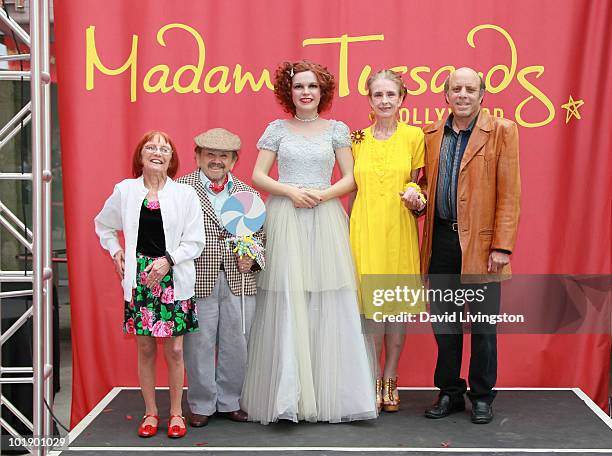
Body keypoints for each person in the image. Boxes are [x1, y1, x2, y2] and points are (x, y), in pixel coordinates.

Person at [241, 60, 377, 424]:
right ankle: (288, 397)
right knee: (288, 300)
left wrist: (322, 195)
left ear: (323, 92)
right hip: (285, 218)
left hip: (325, 217)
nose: (306, 92)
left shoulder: (337, 130)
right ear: (290, 92)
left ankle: (331, 393)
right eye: (300, 86)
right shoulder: (276, 129)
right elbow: (257, 175)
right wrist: (290, 192)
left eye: (313, 86)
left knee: (328, 298)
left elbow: (350, 178)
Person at [405, 67, 520, 424]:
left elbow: (510, 194)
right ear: (446, 95)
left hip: (483, 246)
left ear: (482, 95)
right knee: (445, 324)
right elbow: (424, 185)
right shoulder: (431, 134)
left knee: (483, 327)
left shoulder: (502, 131)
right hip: (440, 240)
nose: (464, 95)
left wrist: (502, 246)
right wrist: (417, 199)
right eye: (457, 89)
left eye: (471, 89)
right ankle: (450, 392)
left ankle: (482, 395)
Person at [94, 131, 205, 438]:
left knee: (176, 350)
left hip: (173, 276)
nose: (158, 152)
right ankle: (151, 413)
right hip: (140, 278)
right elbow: (103, 225)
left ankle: (176, 413)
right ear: (140, 156)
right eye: (151, 148)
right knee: (145, 348)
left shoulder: (185, 195)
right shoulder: (125, 191)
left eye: (164, 149)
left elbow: (196, 241)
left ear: (172, 159)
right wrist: (116, 251)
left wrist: (169, 259)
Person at [177, 128, 265, 427]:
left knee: (238, 341)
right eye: (210, 155)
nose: (216, 161)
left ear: (234, 160)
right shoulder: (180, 189)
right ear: (198, 157)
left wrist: (251, 258)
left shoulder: (247, 193)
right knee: (198, 342)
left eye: (223, 156)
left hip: (239, 280)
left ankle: (230, 401)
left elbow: (261, 236)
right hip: (197, 277)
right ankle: (201, 403)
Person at [349, 69, 425, 413]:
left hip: (399, 230)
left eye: (390, 95)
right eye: (377, 95)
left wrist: (415, 197)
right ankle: (371, 376)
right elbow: (352, 189)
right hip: (364, 230)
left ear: (402, 99)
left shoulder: (415, 137)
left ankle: (391, 377)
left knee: (396, 308)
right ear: (369, 99)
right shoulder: (356, 139)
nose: (384, 101)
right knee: (370, 310)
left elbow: (418, 184)